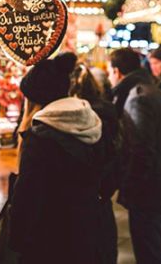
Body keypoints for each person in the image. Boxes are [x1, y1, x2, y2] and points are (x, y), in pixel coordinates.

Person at [9, 53, 107, 264]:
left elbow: (27, 199)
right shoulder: (89, 121)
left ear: (34, 100)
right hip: (87, 232)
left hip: (51, 242)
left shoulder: (40, 137)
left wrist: (15, 241)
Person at [119, 51, 161, 264]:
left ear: (117, 71)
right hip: (160, 181)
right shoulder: (156, 92)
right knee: (152, 245)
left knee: (147, 250)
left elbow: (142, 149)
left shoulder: (138, 98)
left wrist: (129, 185)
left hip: (148, 187)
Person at [70, 63, 121, 264]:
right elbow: (115, 154)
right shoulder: (108, 111)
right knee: (105, 250)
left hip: (81, 202)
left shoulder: (72, 119)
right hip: (102, 198)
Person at [107, 48, 151, 116]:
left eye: (109, 73)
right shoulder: (148, 87)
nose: (108, 78)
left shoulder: (136, 99)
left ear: (116, 72)